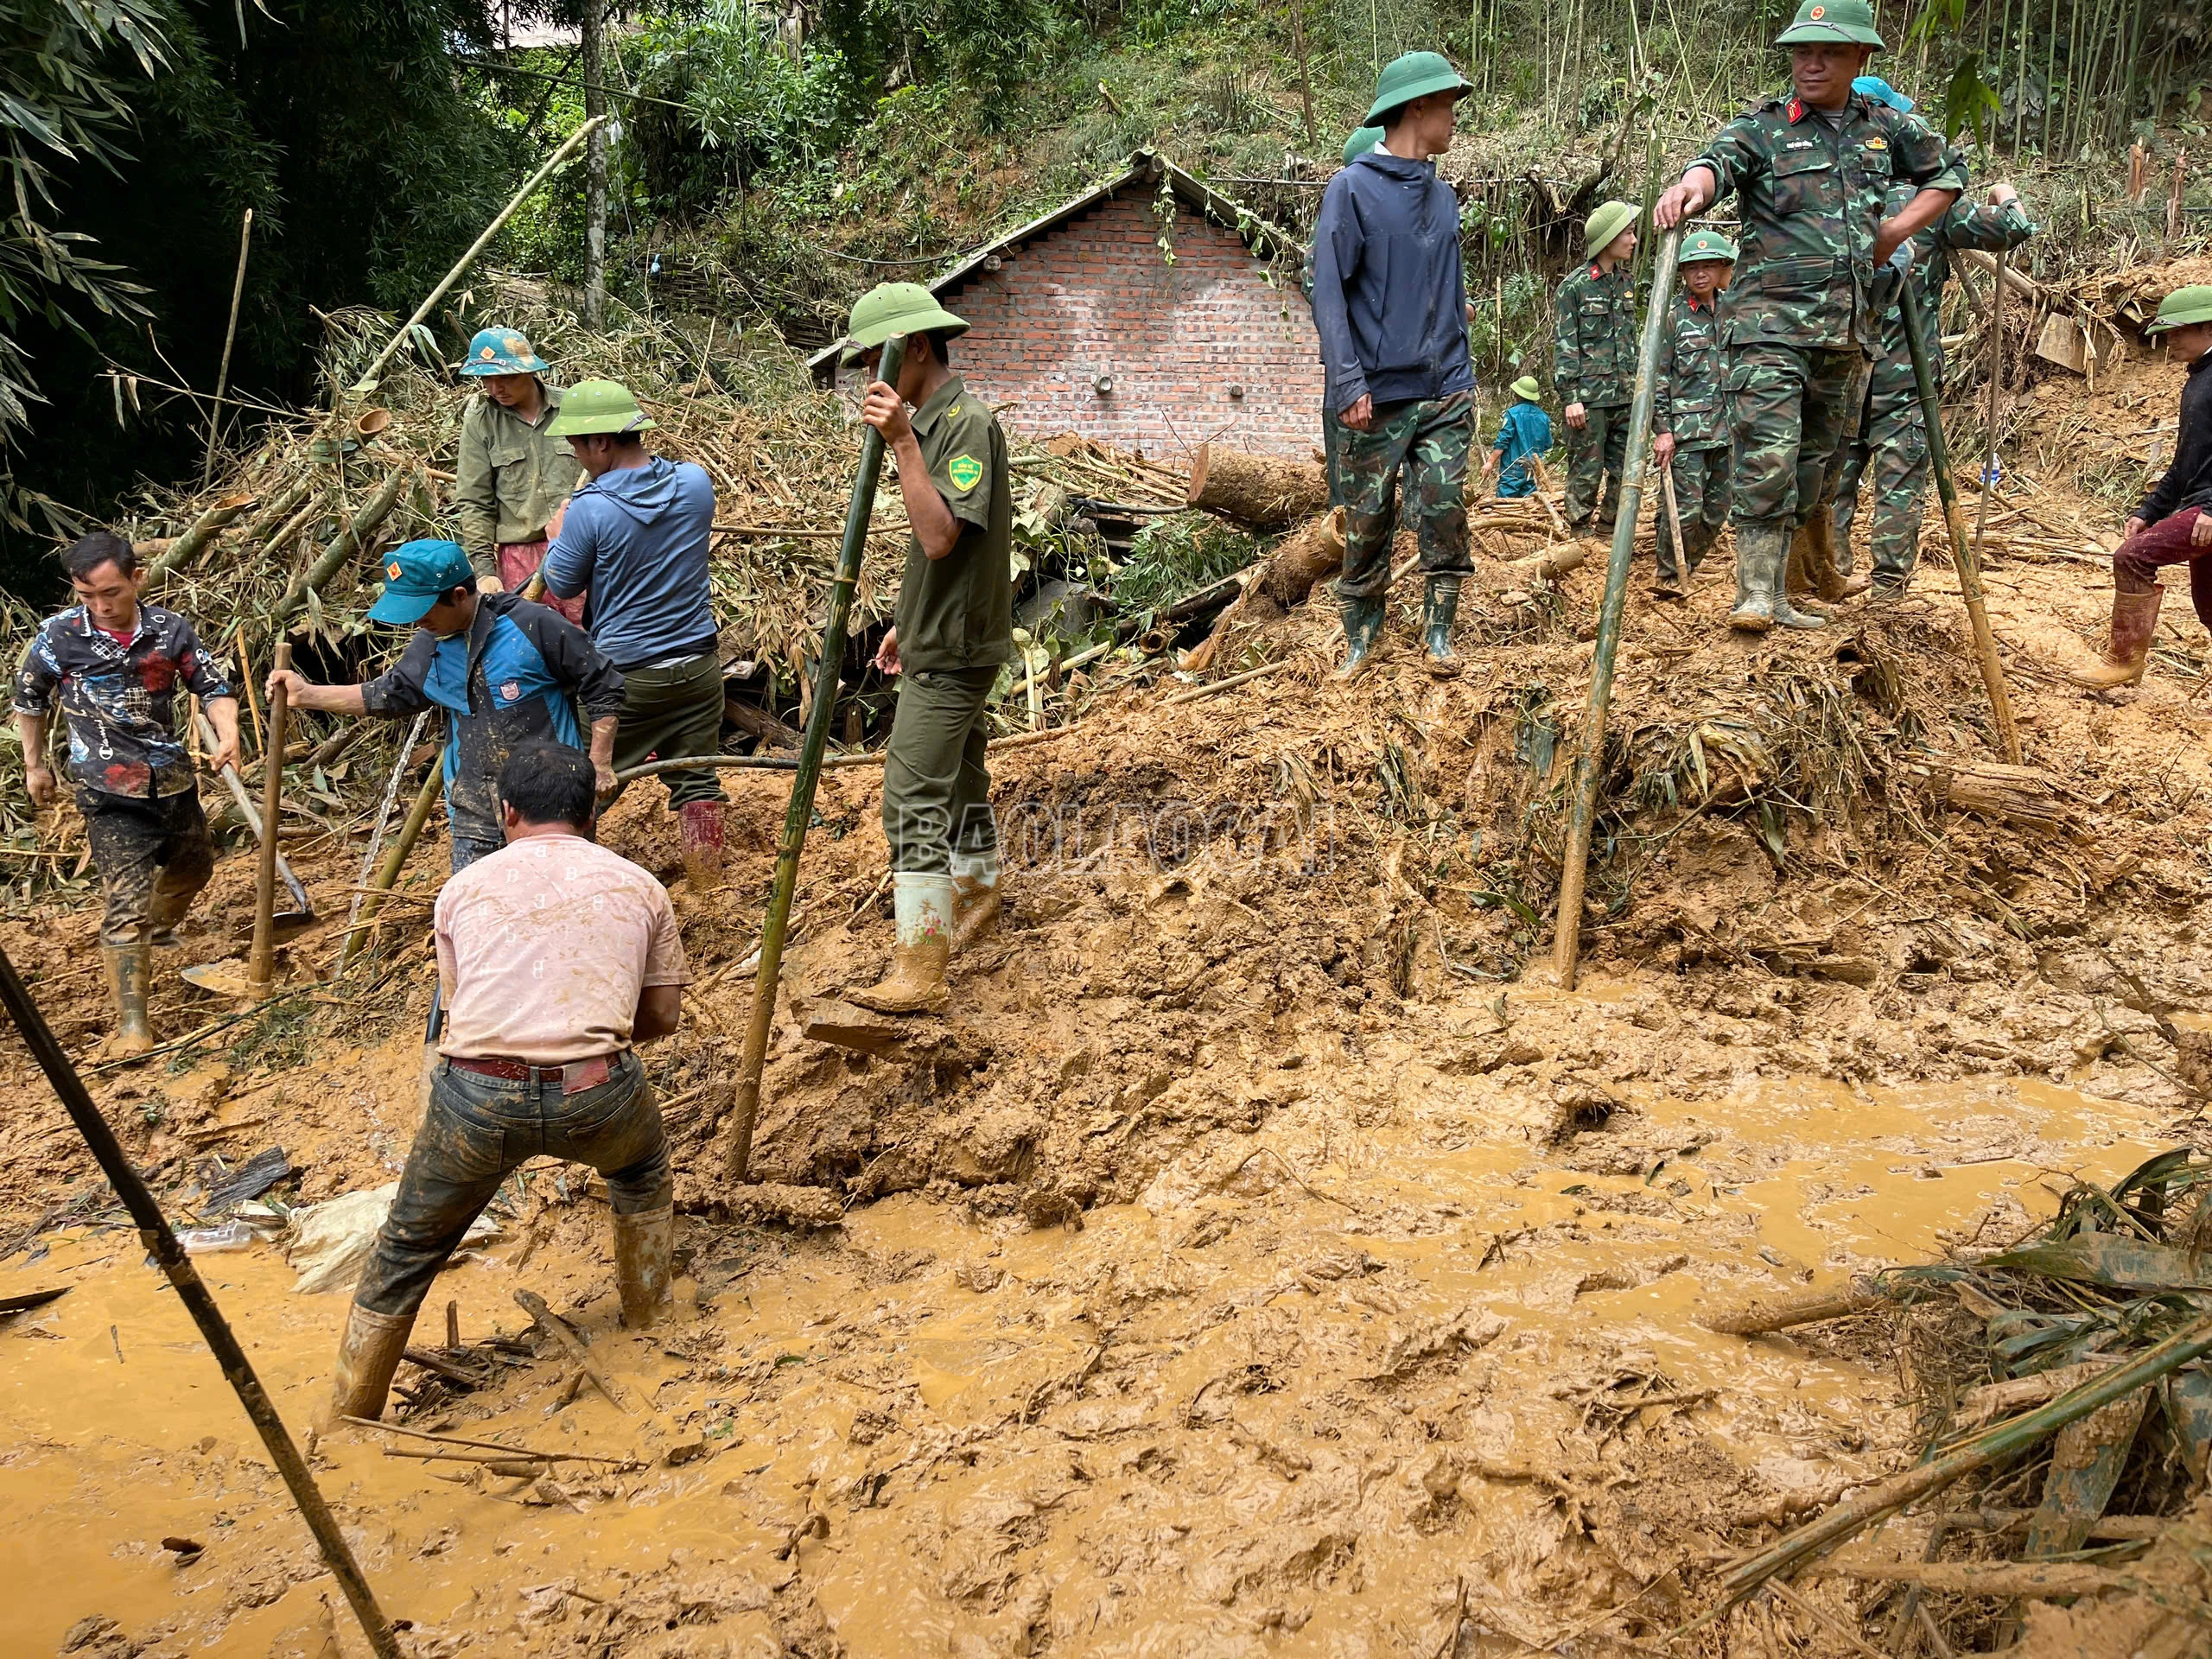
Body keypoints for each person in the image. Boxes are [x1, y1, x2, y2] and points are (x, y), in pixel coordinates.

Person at [325, 742, 689, 1424]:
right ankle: (649, 1322)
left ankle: (349, 1413)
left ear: (506, 810)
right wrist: (586, 1045)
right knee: (640, 1171)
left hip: (476, 1097)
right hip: (599, 1091)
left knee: (407, 1245)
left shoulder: (463, 888)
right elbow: (662, 1018)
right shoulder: (641, 886)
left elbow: (463, 1013)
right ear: (591, 813)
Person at [1654, 0, 1962, 632]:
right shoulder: (1765, 128)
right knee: (1768, 456)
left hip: (1846, 336)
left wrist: (1894, 232)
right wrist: (1690, 187)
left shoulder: (1886, 128)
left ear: (1860, 59)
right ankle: (1755, 594)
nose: (1811, 64)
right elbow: (1716, 165)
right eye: (1801, 53)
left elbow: (1949, 174)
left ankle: (1787, 589)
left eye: (1827, 53)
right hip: (1768, 329)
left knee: (1815, 468)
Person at [836, 283, 1014, 1014]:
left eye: (875, 361)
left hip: (959, 651)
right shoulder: (937, 426)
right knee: (963, 777)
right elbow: (939, 554)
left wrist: (902, 442)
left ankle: (920, 965)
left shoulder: (962, 425)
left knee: (910, 798)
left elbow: (942, 535)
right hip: (942, 636)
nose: (869, 381)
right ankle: (976, 891)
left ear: (913, 347)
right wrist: (910, 621)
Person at [11, 533, 240, 1056]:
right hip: (107, 789)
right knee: (125, 904)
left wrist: (227, 733)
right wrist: (34, 766)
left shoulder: (169, 631)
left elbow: (212, 687)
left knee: (195, 867)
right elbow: (29, 700)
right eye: (86, 595)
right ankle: (133, 1026)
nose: (99, 606)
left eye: (110, 592)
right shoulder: (59, 637)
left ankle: (153, 930)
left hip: (172, 780)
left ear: (137, 579)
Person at [268, 539, 623, 874]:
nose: (416, 622)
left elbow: (601, 681)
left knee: (556, 904)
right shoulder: (430, 644)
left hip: (551, 804)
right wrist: (306, 694)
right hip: (474, 809)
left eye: (423, 610)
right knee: (481, 910)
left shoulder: (531, 625)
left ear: (458, 595)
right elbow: (390, 694)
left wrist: (599, 763)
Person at [1827, 81, 2036, 595]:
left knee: (1833, 473)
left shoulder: (1830, 197)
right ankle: (1887, 589)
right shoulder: (1931, 202)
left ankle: (1823, 573)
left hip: (1838, 365)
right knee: (1899, 477)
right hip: (1905, 373)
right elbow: (2014, 228)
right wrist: (2005, 194)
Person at [1310, 50, 1478, 672]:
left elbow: (1450, 291)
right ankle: (1362, 640)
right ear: (1416, 108)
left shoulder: (1443, 198)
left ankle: (1440, 635)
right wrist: (1348, 381)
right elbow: (1328, 291)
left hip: (1445, 389)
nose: (1455, 118)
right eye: (1448, 105)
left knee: (1445, 506)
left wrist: (1463, 368)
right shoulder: (1351, 190)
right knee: (1367, 524)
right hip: (1375, 395)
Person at [541, 380, 732, 890]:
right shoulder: (694, 483)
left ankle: (575, 888)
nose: (577, 456)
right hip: (698, 666)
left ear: (601, 443)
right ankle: (709, 888)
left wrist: (559, 538)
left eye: (578, 445)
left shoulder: (590, 508)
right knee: (697, 779)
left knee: (583, 781)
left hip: (625, 679)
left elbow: (562, 583)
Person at [2069, 286, 2212, 690]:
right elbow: (2187, 461)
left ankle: (2124, 660)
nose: (2169, 338)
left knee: (2132, 557)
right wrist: (2149, 510)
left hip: (2208, 512)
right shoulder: (2200, 379)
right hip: (2200, 508)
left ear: (2208, 327)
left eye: (2178, 330)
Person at [453, 327, 585, 624]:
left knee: (594, 637)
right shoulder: (481, 424)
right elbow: (475, 502)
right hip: (520, 557)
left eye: (506, 377)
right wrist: (485, 572)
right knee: (533, 643)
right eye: (488, 379)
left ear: (529, 371)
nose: (496, 388)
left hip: (583, 545)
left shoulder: (573, 408)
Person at [1651, 230, 1739, 595]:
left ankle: (1692, 564)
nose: (1700, 275)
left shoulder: (1735, 310)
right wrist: (1662, 429)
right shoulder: (1671, 317)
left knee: (1719, 508)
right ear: (1683, 274)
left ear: (1722, 269)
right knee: (1685, 508)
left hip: (1729, 427)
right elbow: (1657, 376)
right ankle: (1669, 574)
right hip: (1687, 431)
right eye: (1692, 269)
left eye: (1709, 267)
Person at [1554, 200, 1643, 542]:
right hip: (1589, 400)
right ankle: (1579, 531)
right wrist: (1571, 397)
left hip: (1625, 395)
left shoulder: (1626, 282)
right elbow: (1565, 346)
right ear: (1608, 239)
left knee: (1625, 468)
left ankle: (1609, 529)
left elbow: (1631, 342)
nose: (1634, 240)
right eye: (1628, 233)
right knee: (1586, 469)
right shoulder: (1574, 288)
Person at [1306, 125, 1386, 509]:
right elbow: (1327, 305)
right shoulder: (1328, 243)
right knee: (1348, 486)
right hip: (1349, 371)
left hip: (1393, 373)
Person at [1482, 376, 1553, 500]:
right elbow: (1547, 444)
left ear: (1517, 394)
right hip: (1533, 469)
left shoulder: (1512, 414)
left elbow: (1503, 441)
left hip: (1512, 469)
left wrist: (1490, 462)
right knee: (1529, 503)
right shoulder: (1543, 417)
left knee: (1505, 504)